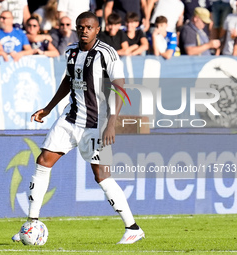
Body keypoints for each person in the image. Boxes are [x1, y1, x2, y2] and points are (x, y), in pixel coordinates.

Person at [11, 11, 145, 245]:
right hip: (70, 119)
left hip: (96, 124)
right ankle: (32, 223)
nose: (84, 30)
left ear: (97, 29)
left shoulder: (107, 54)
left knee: (101, 175)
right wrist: (49, 107)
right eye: (80, 27)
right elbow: (68, 80)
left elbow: (120, 88)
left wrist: (111, 124)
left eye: (88, 27)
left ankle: (132, 228)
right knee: (43, 161)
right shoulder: (71, 51)